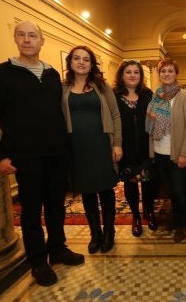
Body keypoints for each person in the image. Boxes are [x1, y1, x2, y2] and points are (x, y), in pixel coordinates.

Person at [0, 21, 84, 287]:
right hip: (26, 158)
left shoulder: (51, 75)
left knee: (57, 206)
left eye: (32, 35)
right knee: (32, 212)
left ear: (41, 40)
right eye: (21, 35)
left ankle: (58, 248)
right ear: (15, 39)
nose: (27, 40)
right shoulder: (2, 74)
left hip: (57, 154)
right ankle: (37, 262)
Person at [61, 45, 122, 255]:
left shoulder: (101, 86)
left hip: (101, 145)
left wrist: (117, 144)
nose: (81, 62)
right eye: (76, 58)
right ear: (70, 62)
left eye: (86, 59)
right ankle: (95, 233)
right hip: (77, 148)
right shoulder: (63, 87)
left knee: (105, 190)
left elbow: (115, 115)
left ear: (91, 63)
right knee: (87, 192)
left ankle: (109, 232)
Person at [147, 58, 186, 243]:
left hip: (177, 154)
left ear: (176, 74)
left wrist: (184, 154)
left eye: (170, 71)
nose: (166, 74)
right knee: (169, 190)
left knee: (179, 191)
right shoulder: (156, 97)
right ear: (159, 75)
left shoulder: (185, 97)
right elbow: (149, 126)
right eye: (163, 71)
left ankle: (181, 225)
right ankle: (176, 219)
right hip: (160, 152)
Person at [113, 59, 158, 237]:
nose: (132, 75)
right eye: (128, 72)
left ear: (141, 76)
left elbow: (155, 119)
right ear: (122, 76)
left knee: (149, 183)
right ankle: (136, 217)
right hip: (126, 148)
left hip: (147, 147)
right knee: (130, 185)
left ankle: (149, 211)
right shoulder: (114, 96)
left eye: (136, 72)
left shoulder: (148, 94)